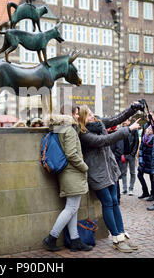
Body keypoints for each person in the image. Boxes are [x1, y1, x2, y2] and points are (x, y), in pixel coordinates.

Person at [78, 101, 144, 253]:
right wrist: (128, 129)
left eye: (91, 112)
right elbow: (104, 140)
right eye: (88, 114)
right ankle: (116, 238)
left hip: (110, 171)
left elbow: (117, 118)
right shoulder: (84, 135)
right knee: (107, 203)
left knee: (114, 202)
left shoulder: (99, 123)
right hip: (97, 174)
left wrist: (132, 108)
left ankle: (121, 234)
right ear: (82, 119)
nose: (92, 115)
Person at [42, 114, 93, 252]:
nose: (77, 115)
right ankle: (51, 238)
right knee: (71, 208)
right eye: (75, 112)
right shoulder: (69, 130)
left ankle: (75, 240)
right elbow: (71, 153)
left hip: (66, 173)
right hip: (73, 172)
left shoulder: (58, 129)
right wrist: (84, 166)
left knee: (73, 208)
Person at [118, 119, 139, 196]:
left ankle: (131, 189)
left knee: (132, 172)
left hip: (131, 155)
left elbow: (136, 142)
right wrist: (121, 154)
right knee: (123, 172)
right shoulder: (120, 130)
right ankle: (124, 189)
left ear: (129, 122)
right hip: (123, 155)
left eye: (126, 120)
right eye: (124, 120)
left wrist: (133, 154)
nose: (124, 121)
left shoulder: (134, 131)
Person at [137, 125, 154, 199]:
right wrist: (140, 159)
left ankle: (153, 194)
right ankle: (145, 192)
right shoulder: (144, 137)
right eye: (148, 129)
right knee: (139, 175)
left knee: (152, 178)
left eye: (150, 129)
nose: (148, 130)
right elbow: (140, 149)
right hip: (143, 160)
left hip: (151, 160)